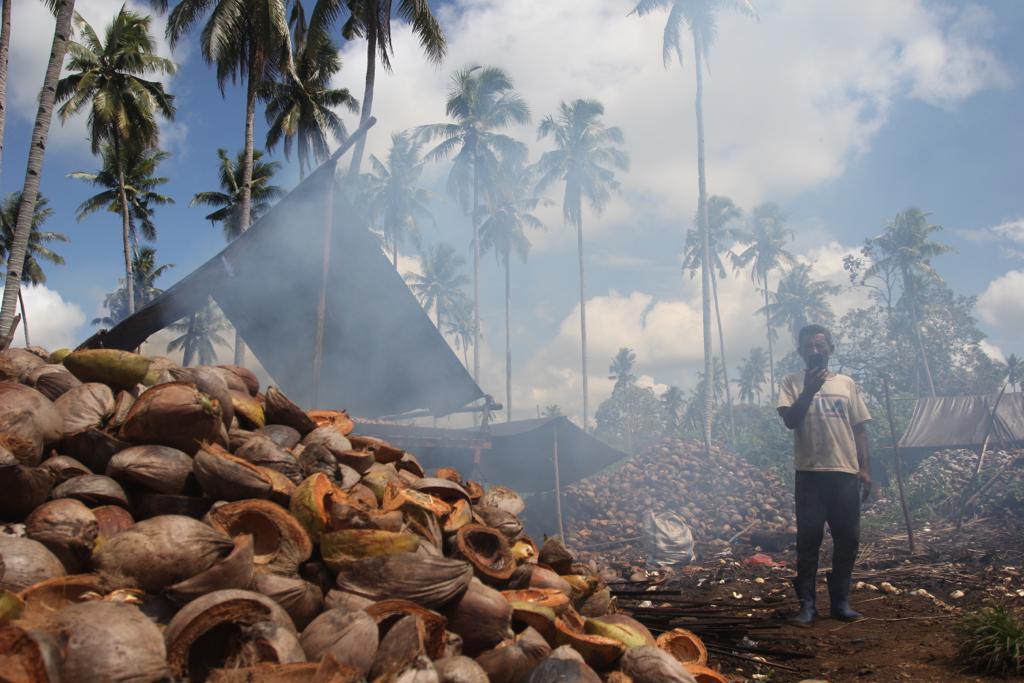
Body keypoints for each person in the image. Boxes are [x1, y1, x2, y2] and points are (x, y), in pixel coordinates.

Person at [777, 324, 871, 626]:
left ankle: (840, 603)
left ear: (830, 348)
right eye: (809, 347)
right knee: (808, 541)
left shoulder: (847, 383)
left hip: (844, 472)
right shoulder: (791, 382)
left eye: (820, 345)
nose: (815, 351)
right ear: (801, 352)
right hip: (810, 475)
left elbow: (859, 428)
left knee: (848, 539)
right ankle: (807, 606)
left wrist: (865, 469)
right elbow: (790, 421)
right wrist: (808, 390)